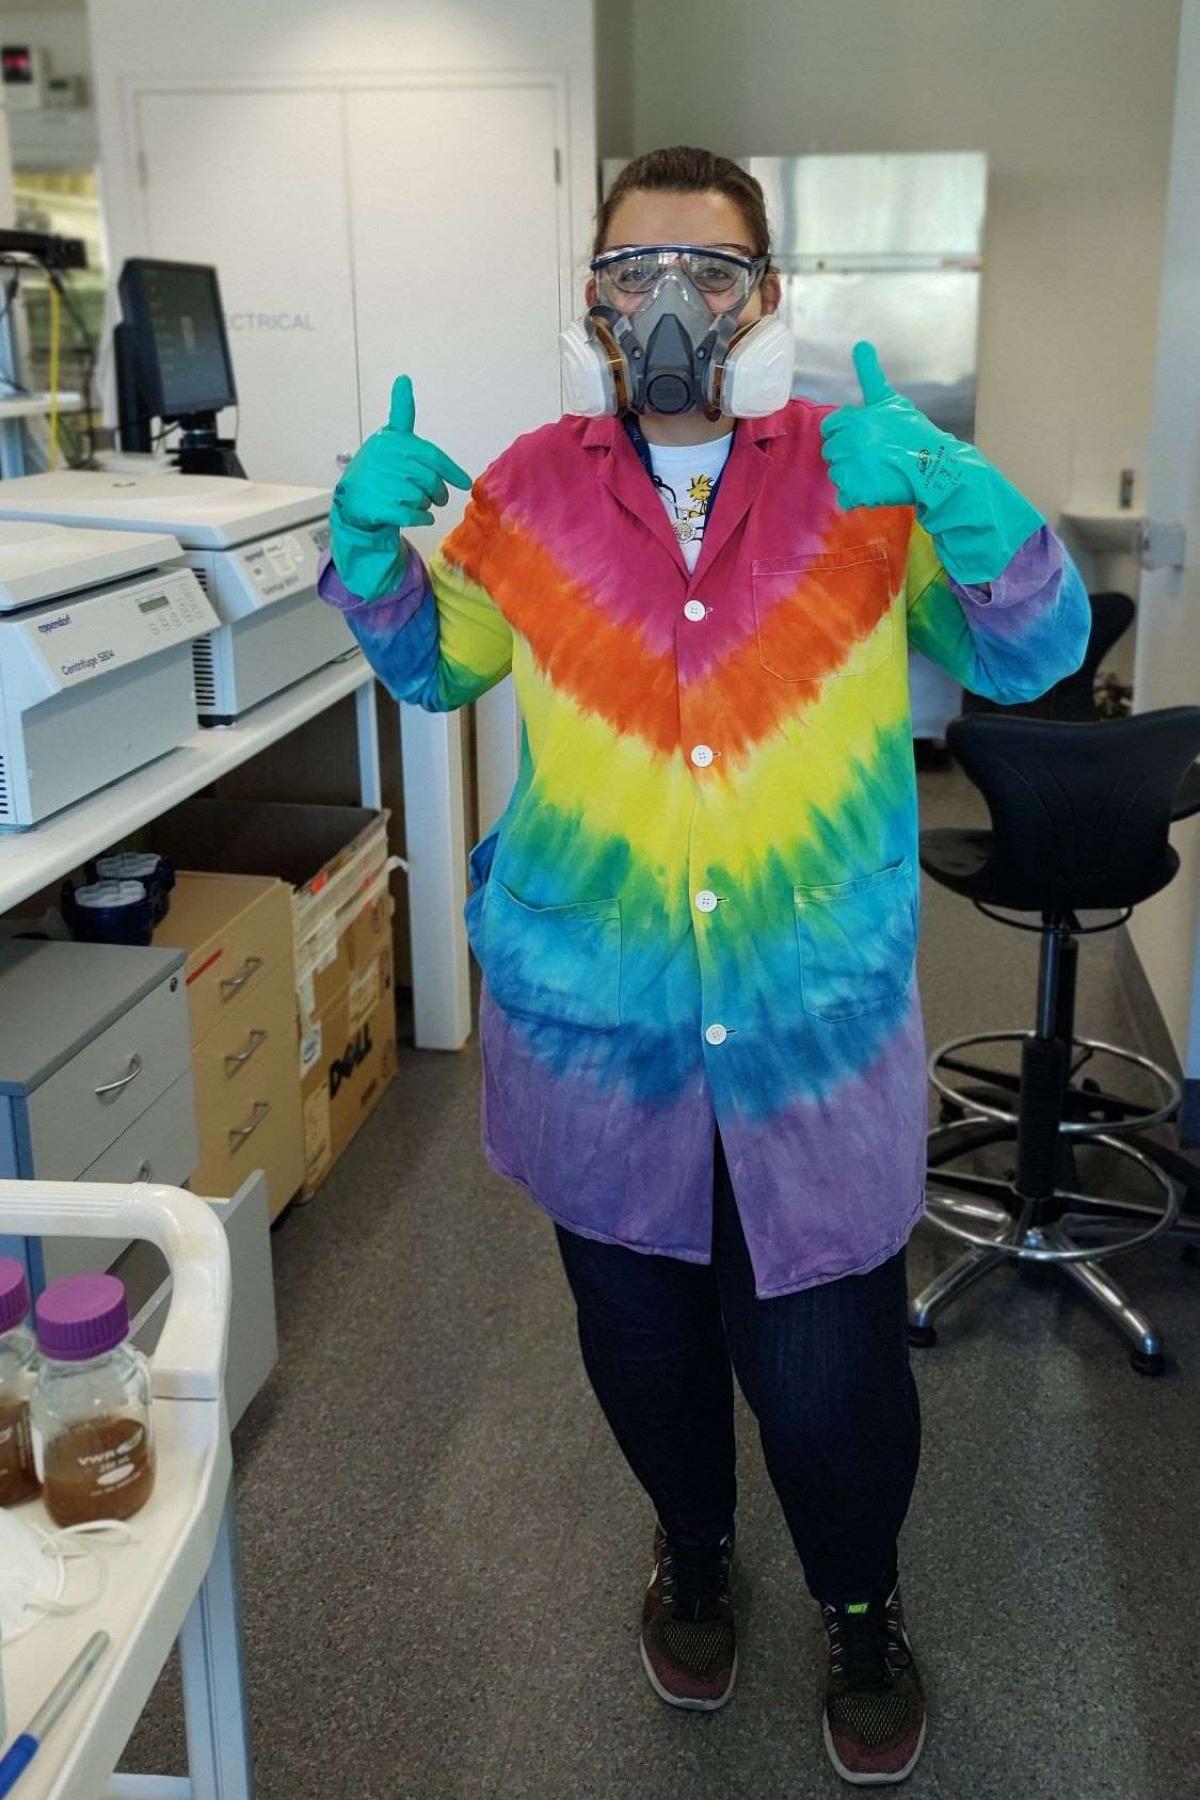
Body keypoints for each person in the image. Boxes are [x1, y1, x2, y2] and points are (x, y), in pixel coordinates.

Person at [321, 146, 1090, 1786]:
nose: (673, 302)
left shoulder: (866, 476)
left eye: (714, 269)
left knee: (831, 1386)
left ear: (770, 300)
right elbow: (437, 672)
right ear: (592, 299)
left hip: (814, 1037)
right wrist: (376, 557)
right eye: (636, 268)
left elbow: (1034, 649)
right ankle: (689, 1545)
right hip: (606, 1042)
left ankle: (862, 1603)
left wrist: (966, 494)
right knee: (646, 1351)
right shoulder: (527, 487)